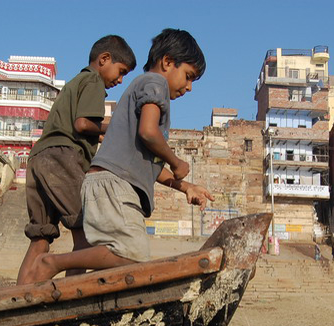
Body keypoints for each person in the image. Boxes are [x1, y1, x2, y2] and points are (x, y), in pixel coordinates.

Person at [22, 28, 212, 282]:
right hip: (114, 186)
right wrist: (177, 161)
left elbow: (147, 165)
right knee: (130, 255)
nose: (188, 87)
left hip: (105, 181)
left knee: (122, 257)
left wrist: (185, 185)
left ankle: (26, 299)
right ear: (167, 62)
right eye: (188, 77)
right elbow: (148, 132)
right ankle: (52, 264)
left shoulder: (141, 94)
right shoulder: (155, 84)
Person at [16, 35, 137, 285]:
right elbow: (83, 124)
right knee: (85, 233)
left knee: (40, 238)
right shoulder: (93, 80)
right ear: (104, 59)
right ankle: (72, 297)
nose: (120, 79)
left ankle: (17, 300)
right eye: (121, 71)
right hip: (62, 158)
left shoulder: (74, 83)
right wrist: (118, 126)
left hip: (40, 158)